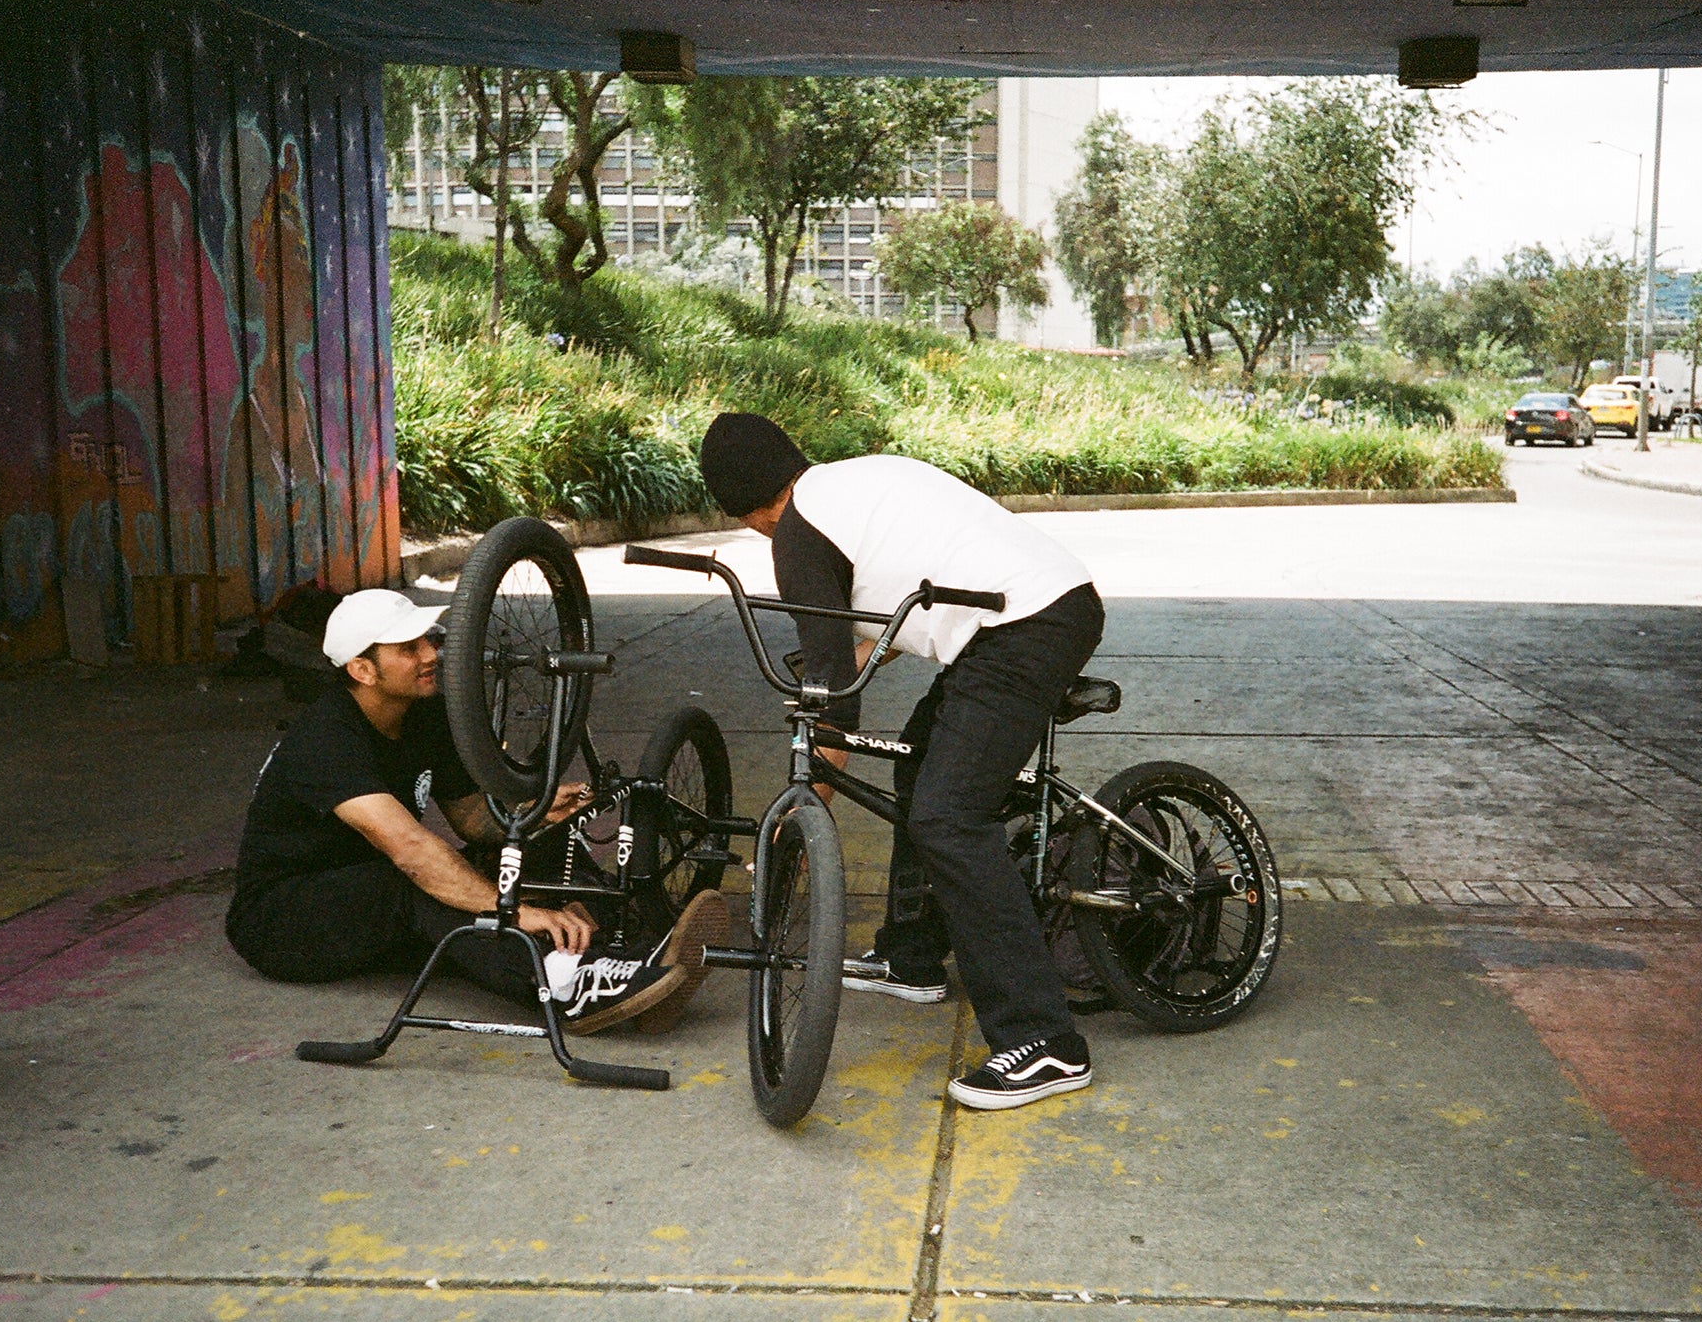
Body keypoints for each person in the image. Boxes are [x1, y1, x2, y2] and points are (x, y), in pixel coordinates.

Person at [699, 412, 1105, 1111]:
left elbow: (831, 704)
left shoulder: (798, 531)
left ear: (742, 508)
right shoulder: (852, 484)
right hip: (1032, 615)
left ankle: (1046, 1041)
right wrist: (845, 667)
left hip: (1024, 629)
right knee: (920, 769)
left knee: (949, 814)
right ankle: (911, 957)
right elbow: (883, 625)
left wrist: (800, 817)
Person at [225, 588, 728, 1033]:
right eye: (409, 648)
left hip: (368, 894)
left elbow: (473, 822)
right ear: (362, 669)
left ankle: (620, 951)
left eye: (430, 640)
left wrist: (534, 816)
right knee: (420, 883)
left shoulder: (426, 714)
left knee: (522, 837)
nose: (431, 655)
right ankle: (569, 988)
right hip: (285, 920)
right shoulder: (325, 740)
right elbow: (413, 853)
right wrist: (521, 911)